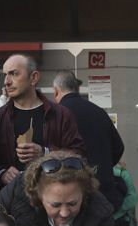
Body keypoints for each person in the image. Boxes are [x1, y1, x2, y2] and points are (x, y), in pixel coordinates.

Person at [0, 54, 86, 187]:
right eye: (5, 75)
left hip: (53, 199)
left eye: (14, 74)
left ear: (33, 78)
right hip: (14, 201)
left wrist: (45, 154)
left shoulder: (61, 114)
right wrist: (2, 173)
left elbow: (79, 155)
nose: (6, 81)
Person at [52, 70, 127, 215]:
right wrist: (102, 165)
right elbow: (118, 147)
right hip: (103, 190)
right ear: (76, 88)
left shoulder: (57, 115)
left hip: (70, 194)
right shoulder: (99, 112)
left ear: (56, 91)